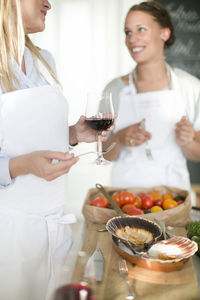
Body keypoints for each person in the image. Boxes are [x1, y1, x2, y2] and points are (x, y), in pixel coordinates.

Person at [0, 1, 113, 300]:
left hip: (54, 228)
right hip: (8, 235)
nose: (48, 3)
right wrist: (23, 165)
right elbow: (20, 155)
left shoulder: (43, 59)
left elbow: (29, 136)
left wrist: (74, 134)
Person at [102, 0, 200, 190]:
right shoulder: (114, 89)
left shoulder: (190, 87)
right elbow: (104, 154)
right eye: (128, 32)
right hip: (125, 199)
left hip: (174, 199)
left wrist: (187, 142)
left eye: (141, 29)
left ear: (164, 33)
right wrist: (120, 138)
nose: (132, 39)